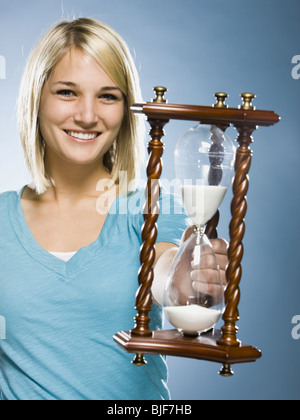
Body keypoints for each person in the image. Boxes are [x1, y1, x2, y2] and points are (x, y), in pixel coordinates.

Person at [0, 18, 228, 400]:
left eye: (108, 96)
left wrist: (188, 282)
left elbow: (165, 271)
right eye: (67, 92)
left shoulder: (152, 209)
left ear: (126, 110)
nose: (88, 116)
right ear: (36, 99)